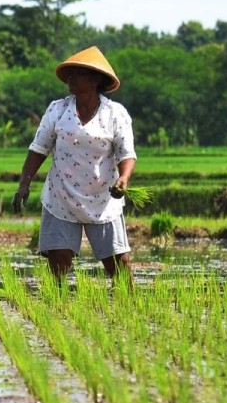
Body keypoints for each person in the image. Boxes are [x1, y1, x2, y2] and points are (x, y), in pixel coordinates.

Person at [11, 46, 137, 285]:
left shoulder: (114, 114)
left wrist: (124, 179)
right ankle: (55, 311)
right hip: (61, 196)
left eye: (78, 73)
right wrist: (23, 184)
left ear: (95, 80)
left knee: (118, 264)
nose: (71, 78)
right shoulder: (57, 110)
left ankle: (129, 306)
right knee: (58, 265)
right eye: (70, 73)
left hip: (103, 199)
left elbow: (126, 153)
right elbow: (38, 149)